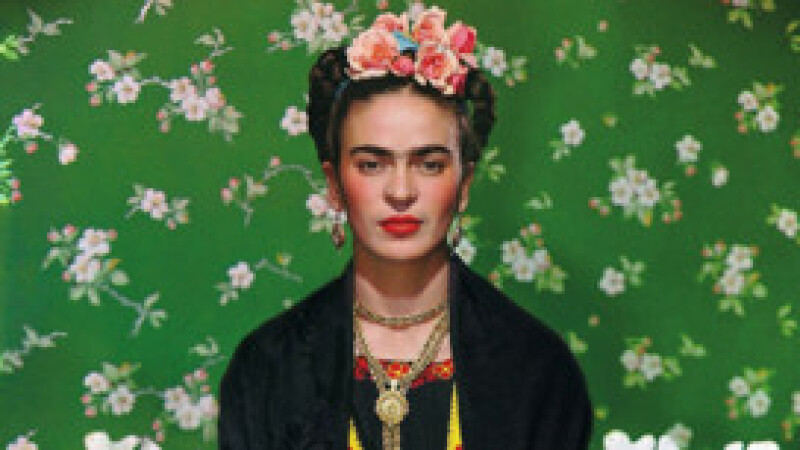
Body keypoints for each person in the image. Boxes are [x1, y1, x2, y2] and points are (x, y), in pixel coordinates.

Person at [218, 6, 593, 450]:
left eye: (429, 164)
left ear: (464, 184)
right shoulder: (267, 366)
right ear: (335, 185)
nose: (400, 191)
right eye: (372, 164)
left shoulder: (537, 369)